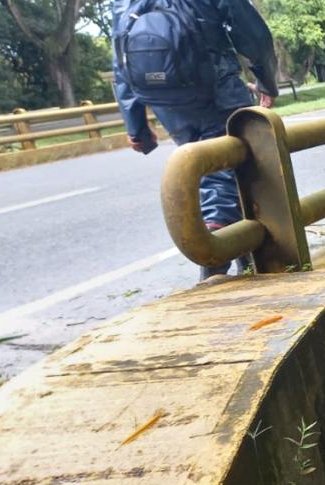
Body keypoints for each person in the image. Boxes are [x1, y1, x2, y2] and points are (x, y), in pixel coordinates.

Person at [111, 0, 279, 280]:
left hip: (168, 104)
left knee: (214, 173)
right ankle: (214, 261)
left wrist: (136, 125)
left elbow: (122, 62)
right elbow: (253, 34)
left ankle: (245, 259)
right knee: (225, 174)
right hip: (217, 92)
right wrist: (266, 80)